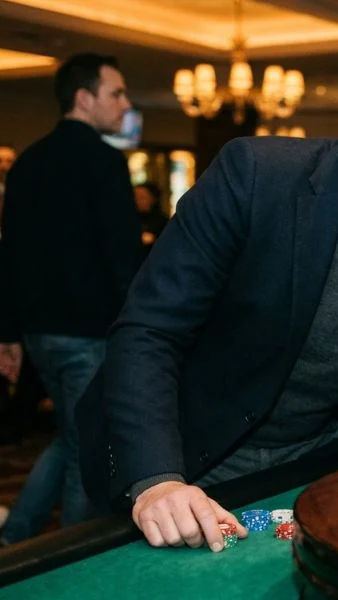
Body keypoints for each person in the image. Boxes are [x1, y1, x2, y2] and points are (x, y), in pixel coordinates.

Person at [77, 28, 338, 553]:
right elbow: (148, 331)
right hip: (188, 460)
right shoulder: (255, 177)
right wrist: (157, 480)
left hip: (317, 480)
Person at [0, 53, 142, 544]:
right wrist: (140, 326)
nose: (125, 105)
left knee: (70, 434)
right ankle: (72, 553)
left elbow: (8, 254)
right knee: (88, 443)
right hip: (88, 330)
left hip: (40, 330)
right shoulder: (104, 162)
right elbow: (122, 256)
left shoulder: (26, 163)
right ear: (84, 98)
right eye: (116, 93)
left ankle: (16, 536)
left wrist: (8, 333)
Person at [134, 182, 169, 255]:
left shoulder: (162, 221)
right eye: (135, 197)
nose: (137, 201)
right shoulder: (130, 219)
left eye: (142, 197)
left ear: (153, 199)